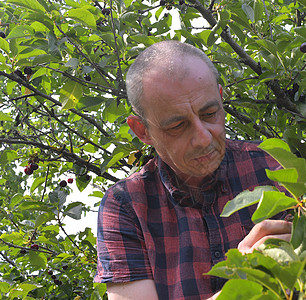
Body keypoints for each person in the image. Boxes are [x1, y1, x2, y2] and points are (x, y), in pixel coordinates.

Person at [94, 40, 292, 300]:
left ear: (221, 98)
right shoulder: (125, 206)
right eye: (177, 126)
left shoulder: (272, 164)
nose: (203, 138)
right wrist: (247, 283)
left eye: (210, 113)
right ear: (142, 131)